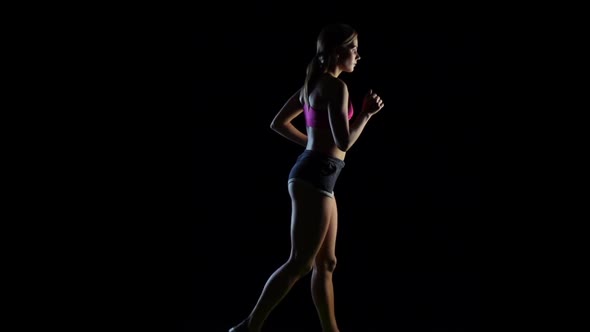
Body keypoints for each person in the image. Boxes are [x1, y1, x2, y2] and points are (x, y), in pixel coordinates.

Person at [229, 23, 384, 332]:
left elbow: (278, 123)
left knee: (327, 263)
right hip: (315, 176)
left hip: (317, 174)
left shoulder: (312, 84)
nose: (358, 55)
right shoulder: (336, 87)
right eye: (354, 49)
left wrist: (314, 147)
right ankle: (249, 326)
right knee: (301, 262)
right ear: (339, 52)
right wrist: (365, 114)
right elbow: (343, 142)